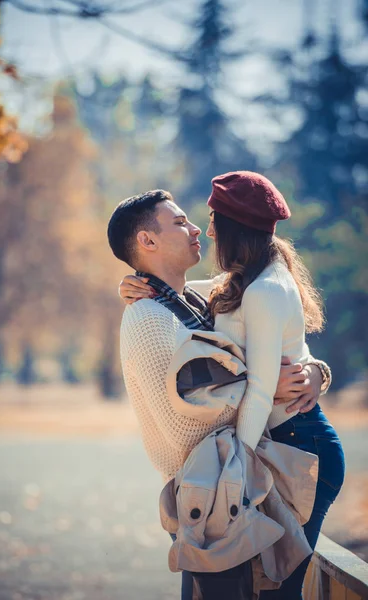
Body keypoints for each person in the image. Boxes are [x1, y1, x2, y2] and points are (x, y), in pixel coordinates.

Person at [109, 183, 334, 599]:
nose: (198, 229)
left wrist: (314, 371)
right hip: (208, 490)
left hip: (227, 483)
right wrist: (261, 386)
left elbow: (270, 331)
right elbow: (187, 430)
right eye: (180, 222)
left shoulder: (190, 301)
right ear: (147, 240)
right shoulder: (150, 319)